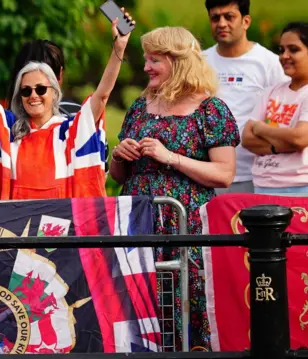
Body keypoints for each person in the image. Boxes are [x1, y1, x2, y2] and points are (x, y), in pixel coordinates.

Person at [109, 27, 240, 350]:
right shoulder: (140, 106)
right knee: (138, 297)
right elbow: (117, 176)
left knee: (187, 296)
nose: (146, 68)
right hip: (139, 220)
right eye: (146, 60)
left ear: (178, 62)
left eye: (155, 60)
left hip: (186, 222)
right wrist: (120, 156)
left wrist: (171, 157)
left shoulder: (210, 110)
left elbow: (224, 174)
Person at [0, 3, 133, 200]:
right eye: (26, 91)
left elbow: (102, 96)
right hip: (17, 224)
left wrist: (118, 48)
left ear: (55, 90)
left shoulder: (71, 130)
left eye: (41, 89)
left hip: (62, 224)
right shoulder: (8, 128)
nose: (33, 95)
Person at [203, 0, 288, 194]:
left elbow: (286, 112)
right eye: (215, 18)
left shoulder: (270, 63)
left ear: (246, 21)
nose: (222, 23)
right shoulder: (199, 62)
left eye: (229, 17)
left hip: (258, 173)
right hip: (209, 173)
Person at [6, 40, 109, 172]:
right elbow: (100, 168)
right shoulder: (79, 116)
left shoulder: (4, 125)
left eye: (41, 87)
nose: (34, 94)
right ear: (60, 74)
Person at [242, 22, 308, 194]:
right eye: (281, 49)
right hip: (263, 185)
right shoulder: (271, 92)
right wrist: (282, 145)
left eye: (293, 49)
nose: (284, 56)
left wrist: (261, 128)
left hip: (303, 186)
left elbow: (300, 138)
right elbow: (247, 138)